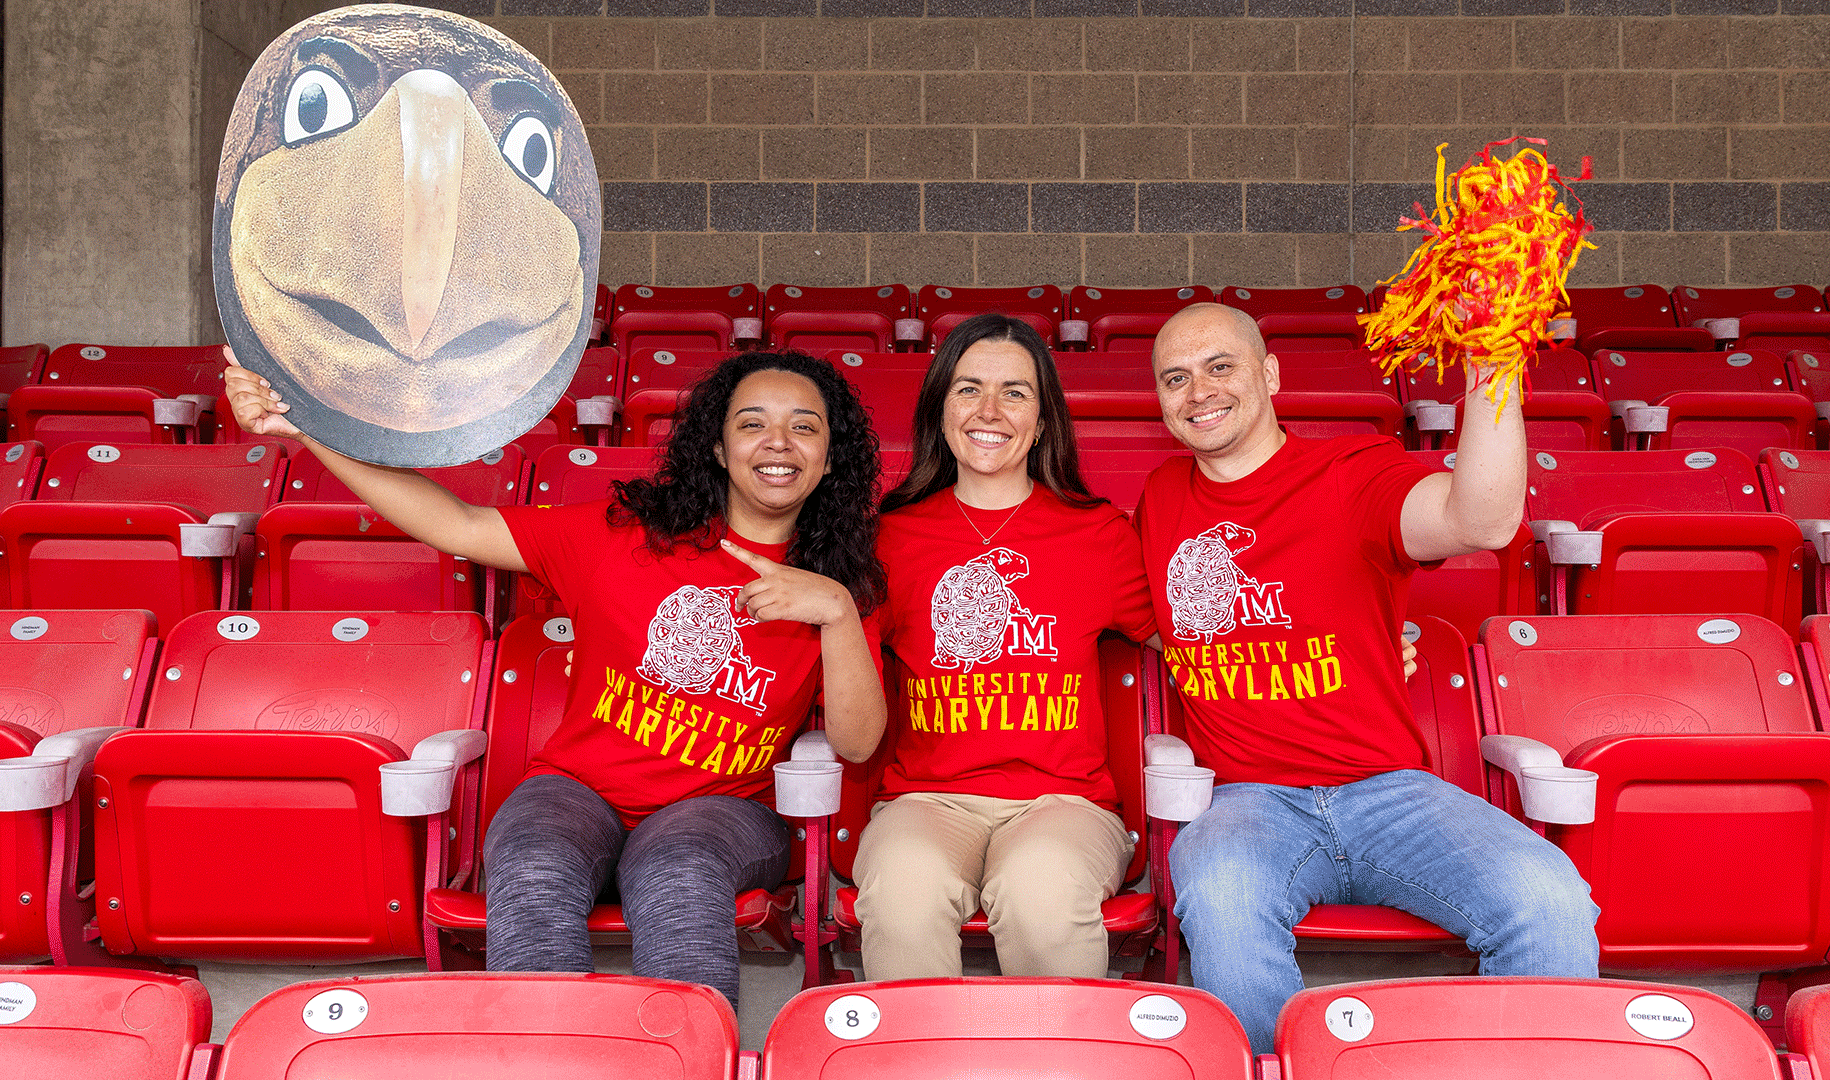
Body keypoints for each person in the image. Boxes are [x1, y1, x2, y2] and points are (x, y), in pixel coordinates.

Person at [225, 347, 888, 1009]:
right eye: (752, 423)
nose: (778, 442)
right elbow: (458, 524)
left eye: (805, 426)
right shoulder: (625, 538)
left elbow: (857, 745)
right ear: (717, 448)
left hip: (725, 813)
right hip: (578, 792)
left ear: (830, 457)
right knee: (535, 866)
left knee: (678, 870)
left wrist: (834, 612)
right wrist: (307, 430)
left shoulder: (843, 583)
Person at [1136, 304, 1598, 1052]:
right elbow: (1144, 616)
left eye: (1220, 367)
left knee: (1548, 899)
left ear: (1269, 374)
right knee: (1222, 898)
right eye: (1176, 378)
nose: (1199, 392)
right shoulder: (1161, 496)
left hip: (1389, 791)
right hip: (1248, 800)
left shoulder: (1353, 469)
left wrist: (1494, 358)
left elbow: (1479, 521)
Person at [854, 312, 1155, 980]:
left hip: (1064, 803)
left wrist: (1357, 630)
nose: (990, 409)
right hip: (928, 801)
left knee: (1042, 899)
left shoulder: (1097, 534)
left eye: (1015, 392)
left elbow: (1190, 635)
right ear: (939, 409)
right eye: (968, 389)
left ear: (1044, 420)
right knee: (902, 895)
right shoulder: (888, 539)